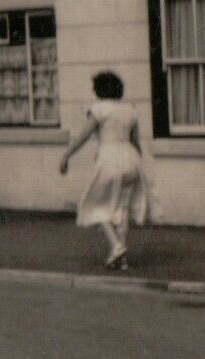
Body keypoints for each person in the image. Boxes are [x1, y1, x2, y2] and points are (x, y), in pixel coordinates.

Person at [59, 71, 151, 270]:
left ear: (100, 90)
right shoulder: (130, 110)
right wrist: (139, 164)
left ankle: (117, 247)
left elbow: (83, 136)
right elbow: (136, 142)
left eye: (94, 88)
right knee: (122, 208)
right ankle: (121, 258)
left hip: (109, 158)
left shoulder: (99, 109)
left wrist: (66, 155)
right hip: (130, 158)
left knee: (95, 203)